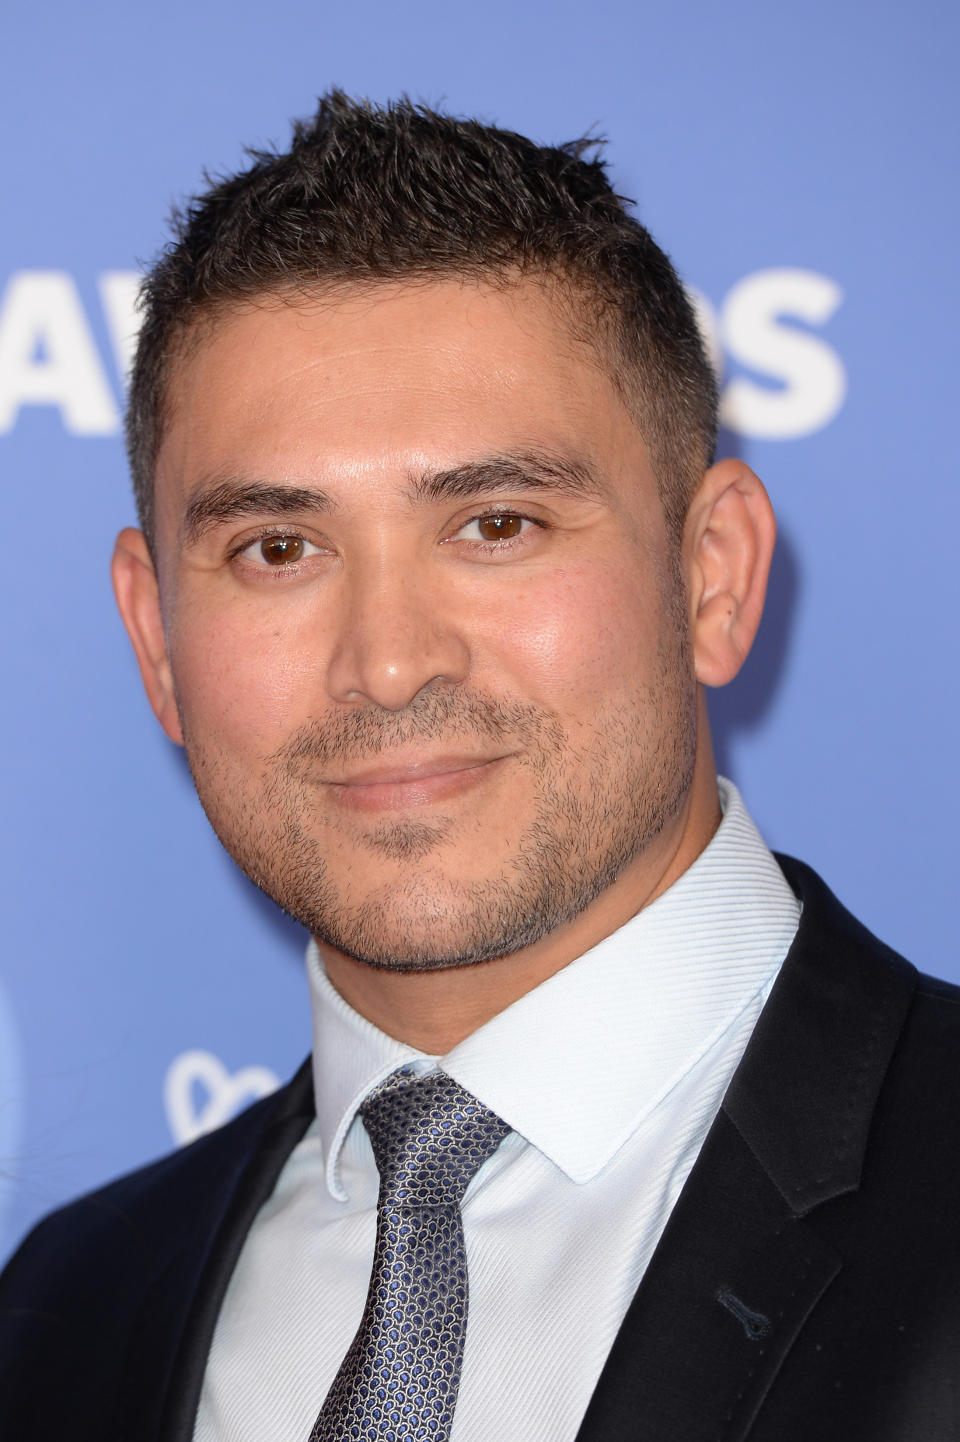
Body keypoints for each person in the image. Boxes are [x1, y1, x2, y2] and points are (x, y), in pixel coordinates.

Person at [0, 92, 957, 1442]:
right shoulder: (67, 1308)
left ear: (714, 577)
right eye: (278, 548)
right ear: (157, 637)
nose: (389, 662)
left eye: (495, 523)